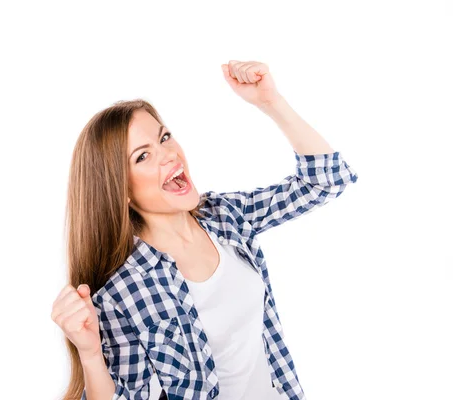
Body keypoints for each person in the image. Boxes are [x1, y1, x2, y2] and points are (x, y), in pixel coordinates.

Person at [51, 60, 359, 400]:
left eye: (164, 137)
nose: (169, 154)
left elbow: (326, 181)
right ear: (120, 190)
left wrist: (271, 102)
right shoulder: (123, 289)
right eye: (143, 156)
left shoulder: (227, 217)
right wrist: (91, 354)